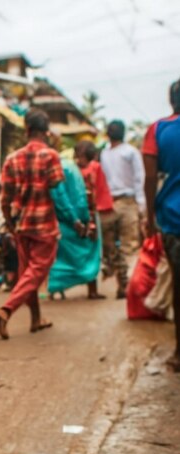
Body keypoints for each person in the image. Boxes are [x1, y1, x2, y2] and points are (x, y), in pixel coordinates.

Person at [0, 108, 65, 340]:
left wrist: (9, 222)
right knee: (35, 273)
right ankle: (6, 310)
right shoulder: (51, 155)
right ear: (46, 131)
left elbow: (5, 198)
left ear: (27, 129)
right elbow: (59, 192)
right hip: (44, 225)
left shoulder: (13, 159)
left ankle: (36, 319)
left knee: (28, 274)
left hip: (22, 225)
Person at [143, 78, 180, 372]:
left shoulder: (158, 130)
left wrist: (150, 218)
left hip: (172, 218)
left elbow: (151, 178)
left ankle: (179, 351)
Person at [100, 119, 146, 297]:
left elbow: (139, 178)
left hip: (128, 202)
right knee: (109, 247)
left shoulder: (131, 152)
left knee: (128, 246)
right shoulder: (103, 153)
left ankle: (126, 285)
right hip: (109, 203)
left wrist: (141, 205)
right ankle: (122, 280)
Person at [47, 152, 102, 299]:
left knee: (62, 257)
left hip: (62, 220)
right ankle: (92, 290)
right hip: (77, 218)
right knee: (89, 254)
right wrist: (79, 219)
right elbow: (77, 197)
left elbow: (59, 197)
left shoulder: (59, 168)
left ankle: (56, 289)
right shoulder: (70, 169)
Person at [75, 140, 114, 298]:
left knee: (83, 251)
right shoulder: (94, 168)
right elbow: (102, 190)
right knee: (91, 252)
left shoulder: (72, 169)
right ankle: (92, 290)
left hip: (79, 215)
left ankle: (90, 288)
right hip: (89, 214)